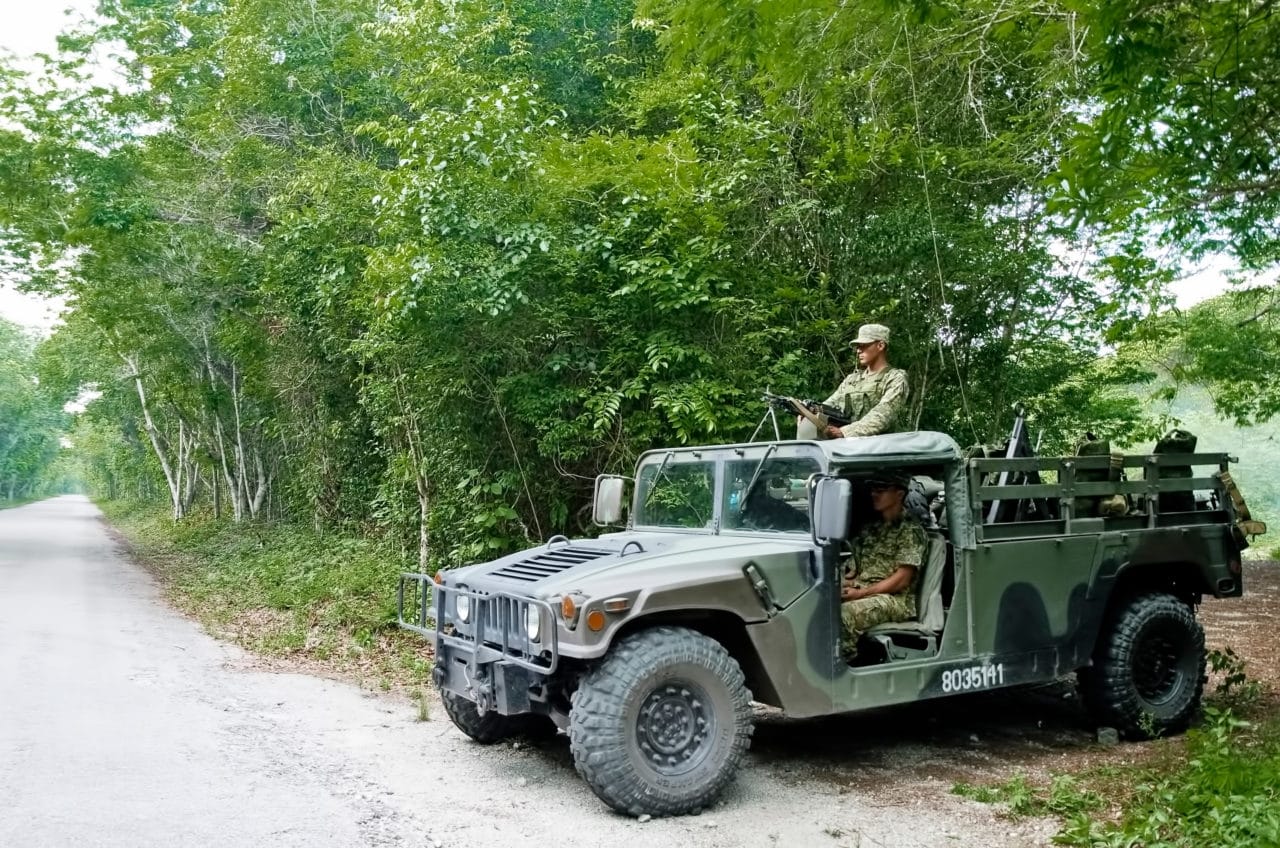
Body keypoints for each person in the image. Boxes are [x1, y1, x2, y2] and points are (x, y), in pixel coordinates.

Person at [839, 470, 925, 661]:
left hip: (894, 601)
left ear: (900, 494)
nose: (874, 494)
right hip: (864, 591)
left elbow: (901, 580)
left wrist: (861, 593)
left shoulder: (910, 530)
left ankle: (845, 668)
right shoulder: (870, 528)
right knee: (818, 605)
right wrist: (845, 585)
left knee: (841, 617)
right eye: (873, 489)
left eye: (881, 489)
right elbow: (853, 570)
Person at [795, 323, 909, 439]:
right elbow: (830, 406)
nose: (858, 350)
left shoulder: (895, 378)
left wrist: (844, 432)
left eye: (864, 345)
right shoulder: (852, 380)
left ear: (880, 345)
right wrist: (809, 413)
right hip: (850, 449)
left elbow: (884, 414)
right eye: (858, 346)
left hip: (882, 448)